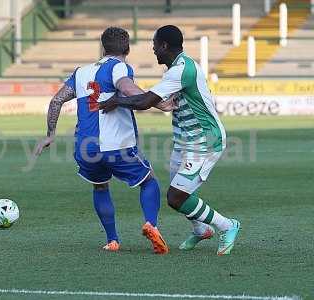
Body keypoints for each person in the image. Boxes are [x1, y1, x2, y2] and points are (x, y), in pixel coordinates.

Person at [99, 25, 240, 256]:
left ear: (164, 45)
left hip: (205, 141)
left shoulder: (181, 70)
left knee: (176, 197)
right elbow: (157, 100)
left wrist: (117, 101)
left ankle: (227, 225)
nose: (153, 49)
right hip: (184, 141)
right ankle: (201, 229)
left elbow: (145, 102)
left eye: (155, 44)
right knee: (181, 192)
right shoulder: (176, 69)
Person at [34, 27, 170, 254]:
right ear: (127, 48)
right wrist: (159, 103)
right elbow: (127, 89)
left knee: (100, 186)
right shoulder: (119, 67)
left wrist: (50, 134)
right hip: (116, 145)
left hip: (86, 148)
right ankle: (151, 224)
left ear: (103, 47)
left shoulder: (80, 72)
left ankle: (112, 240)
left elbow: (56, 101)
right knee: (149, 180)